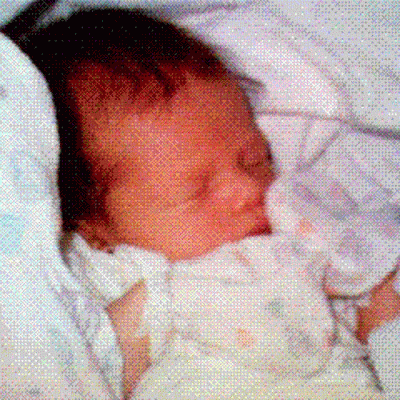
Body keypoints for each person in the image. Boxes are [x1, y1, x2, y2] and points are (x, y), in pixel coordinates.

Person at [19, 7, 397, 399]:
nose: (249, 190)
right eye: (195, 190)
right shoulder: (103, 283)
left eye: (256, 159)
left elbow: (369, 291)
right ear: (93, 231)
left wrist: (380, 316)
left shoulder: (299, 227)